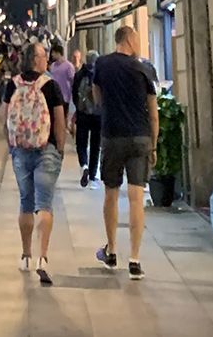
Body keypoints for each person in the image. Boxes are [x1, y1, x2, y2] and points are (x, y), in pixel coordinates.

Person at [92, 26, 158, 280]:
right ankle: (135, 259)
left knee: (110, 193)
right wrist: (154, 144)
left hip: (112, 136)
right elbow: (153, 113)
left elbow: (98, 98)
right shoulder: (144, 69)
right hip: (140, 137)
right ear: (130, 39)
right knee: (136, 197)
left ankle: (111, 252)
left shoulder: (102, 64)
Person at [2, 41, 66, 285]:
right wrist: (59, 148)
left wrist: (11, 145)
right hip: (45, 148)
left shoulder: (13, 84)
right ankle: (43, 257)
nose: (46, 59)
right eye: (43, 56)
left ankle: (26, 255)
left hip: (20, 150)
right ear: (36, 60)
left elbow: (4, 114)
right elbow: (59, 119)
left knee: (25, 202)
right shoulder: (50, 85)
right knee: (45, 205)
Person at [71, 49, 101, 188]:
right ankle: (93, 175)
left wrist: (78, 108)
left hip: (83, 114)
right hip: (97, 116)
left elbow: (74, 94)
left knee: (81, 144)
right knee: (95, 146)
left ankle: (84, 165)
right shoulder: (100, 74)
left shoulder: (79, 75)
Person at [47, 44, 75, 109]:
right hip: (54, 97)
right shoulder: (53, 66)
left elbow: (72, 81)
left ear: (58, 53)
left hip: (65, 97)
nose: (52, 55)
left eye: (53, 52)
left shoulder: (69, 66)